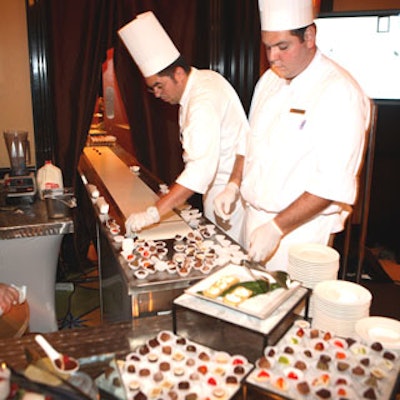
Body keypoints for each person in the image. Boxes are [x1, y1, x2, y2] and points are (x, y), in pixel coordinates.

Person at [214, 0, 371, 271]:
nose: (273, 57)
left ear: (309, 37)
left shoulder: (339, 92)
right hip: (254, 219)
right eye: (267, 47)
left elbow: (331, 184)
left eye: (283, 47)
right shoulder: (269, 81)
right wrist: (233, 184)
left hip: (300, 234)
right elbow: (249, 142)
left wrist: (276, 228)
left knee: (292, 309)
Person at [118, 11, 249, 244]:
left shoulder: (202, 101)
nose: (157, 94)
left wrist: (153, 213)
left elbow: (199, 170)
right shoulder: (200, 81)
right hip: (219, 189)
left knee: (228, 262)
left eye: (159, 86)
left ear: (178, 73)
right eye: (152, 89)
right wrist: (170, 194)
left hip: (230, 199)